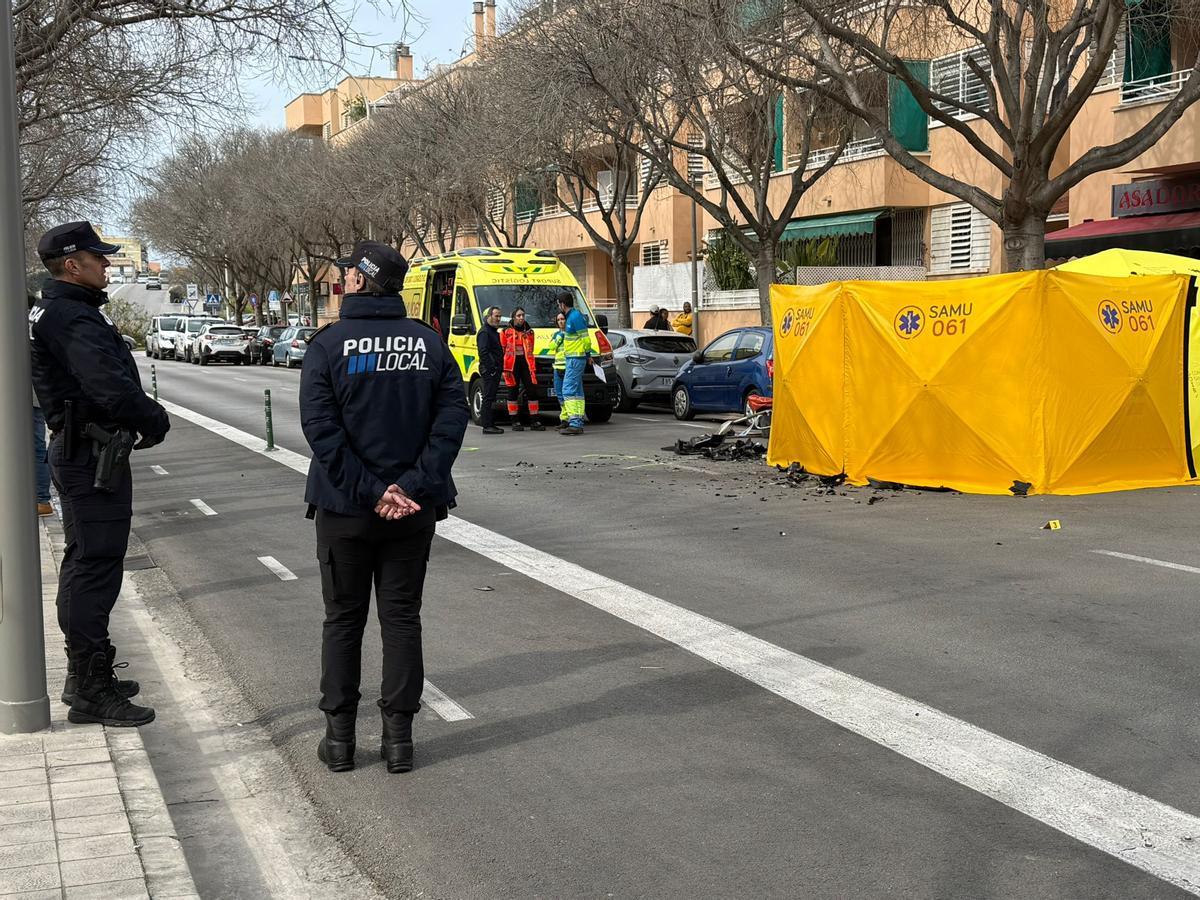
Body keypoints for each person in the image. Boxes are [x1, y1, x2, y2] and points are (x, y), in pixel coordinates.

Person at [300, 240, 469, 775]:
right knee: (401, 621)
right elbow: (451, 423)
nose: (342, 276)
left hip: (345, 510)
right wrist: (411, 486)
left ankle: (341, 741)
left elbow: (321, 433)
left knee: (343, 621)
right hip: (413, 511)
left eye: (346, 270)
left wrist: (372, 491)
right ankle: (400, 741)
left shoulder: (327, 346)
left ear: (357, 281)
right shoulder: (429, 343)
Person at [29, 221, 169, 727]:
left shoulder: (62, 310)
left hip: (83, 450)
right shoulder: (71, 318)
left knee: (87, 561)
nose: (107, 264)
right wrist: (154, 420)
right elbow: (109, 388)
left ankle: (85, 675)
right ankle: (90, 686)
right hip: (90, 455)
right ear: (73, 264)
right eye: (99, 257)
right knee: (95, 565)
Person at [501, 306, 545, 431]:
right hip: (511, 365)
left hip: (526, 364)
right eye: (519, 315)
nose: (521, 318)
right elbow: (502, 349)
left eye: (523, 315)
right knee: (512, 392)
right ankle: (515, 421)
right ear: (513, 317)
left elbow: (531, 349)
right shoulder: (505, 332)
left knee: (532, 390)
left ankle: (534, 420)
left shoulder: (529, 332)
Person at [557, 292, 594, 436]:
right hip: (574, 358)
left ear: (562, 304)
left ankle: (574, 423)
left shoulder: (575, 317)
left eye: (558, 304)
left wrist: (588, 354)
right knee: (577, 392)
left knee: (568, 390)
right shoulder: (573, 316)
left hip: (575, 359)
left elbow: (585, 338)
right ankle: (577, 421)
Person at [476, 305, 504, 435]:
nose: (498, 318)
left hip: (494, 369)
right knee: (488, 397)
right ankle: (487, 425)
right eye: (496, 316)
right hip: (490, 370)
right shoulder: (484, 332)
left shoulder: (493, 331)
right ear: (489, 316)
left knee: (491, 397)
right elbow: (484, 352)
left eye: (499, 316)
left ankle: (490, 423)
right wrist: (492, 368)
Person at [550, 311, 569, 430]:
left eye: (563, 319)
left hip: (568, 368)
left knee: (568, 395)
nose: (561, 321)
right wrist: (558, 338)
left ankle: (567, 419)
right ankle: (564, 419)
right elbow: (551, 347)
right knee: (560, 395)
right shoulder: (556, 334)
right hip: (557, 368)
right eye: (559, 320)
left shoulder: (571, 334)